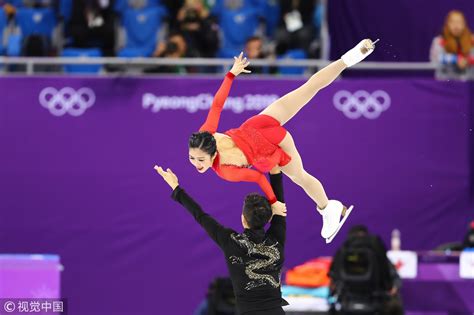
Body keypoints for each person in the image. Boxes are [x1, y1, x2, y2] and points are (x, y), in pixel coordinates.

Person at [187, 39, 377, 243]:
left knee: (300, 177)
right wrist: (231, 74)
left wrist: (274, 202)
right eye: (192, 158)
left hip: (270, 145)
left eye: (200, 159)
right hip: (258, 125)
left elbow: (258, 178)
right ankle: (351, 57)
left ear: (213, 153)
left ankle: (328, 208)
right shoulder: (205, 135)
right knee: (309, 88)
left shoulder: (225, 171)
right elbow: (216, 105)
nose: (196, 164)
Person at [155, 165, 289, 315]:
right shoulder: (276, 240)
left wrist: (176, 188)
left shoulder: (231, 241)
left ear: (243, 219)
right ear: (270, 217)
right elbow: (279, 204)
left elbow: (201, 216)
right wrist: (274, 168)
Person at [328, 225, 404, 315]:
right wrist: (392, 289)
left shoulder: (342, 253)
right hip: (375, 302)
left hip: (347, 303)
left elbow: (333, 279)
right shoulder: (378, 254)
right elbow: (394, 280)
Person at [430, 10, 474, 80]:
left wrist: (468, 60)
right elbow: (435, 59)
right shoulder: (438, 41)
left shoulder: (472, 41)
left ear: (464, 24)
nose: (456, 25)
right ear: (447, 24)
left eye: (459, 22)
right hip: (445, 83)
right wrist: (456, 59)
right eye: (452, 22)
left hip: (468, 83)